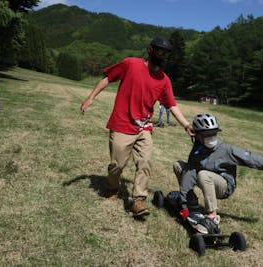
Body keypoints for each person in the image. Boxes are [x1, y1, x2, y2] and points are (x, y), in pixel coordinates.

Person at [80, 36, 194, 218]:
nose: (162, 55)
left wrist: (186, 125)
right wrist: (90, 98)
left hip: (144, 127)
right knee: (117, 165)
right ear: (150, 50)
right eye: (159, 51)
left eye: (165, 53)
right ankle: (112, 187)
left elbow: (172, 105)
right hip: (122, 123)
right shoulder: (130, 64)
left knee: (145, 162)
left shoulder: (164, 80)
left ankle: (138, 200)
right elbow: (108, 78)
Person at [173, 113, 263, 233]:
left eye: (213, 133)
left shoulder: (226, 150)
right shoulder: (198, 149)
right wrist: (184, 205)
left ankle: (212, 217)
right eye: (206, 134)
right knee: (179, 166)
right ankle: (192, 204)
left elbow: (252, 159)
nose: (211, 137)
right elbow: (189, 174)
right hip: (206, 179)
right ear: (197, 135)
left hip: (224, 186)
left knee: (203, 175)